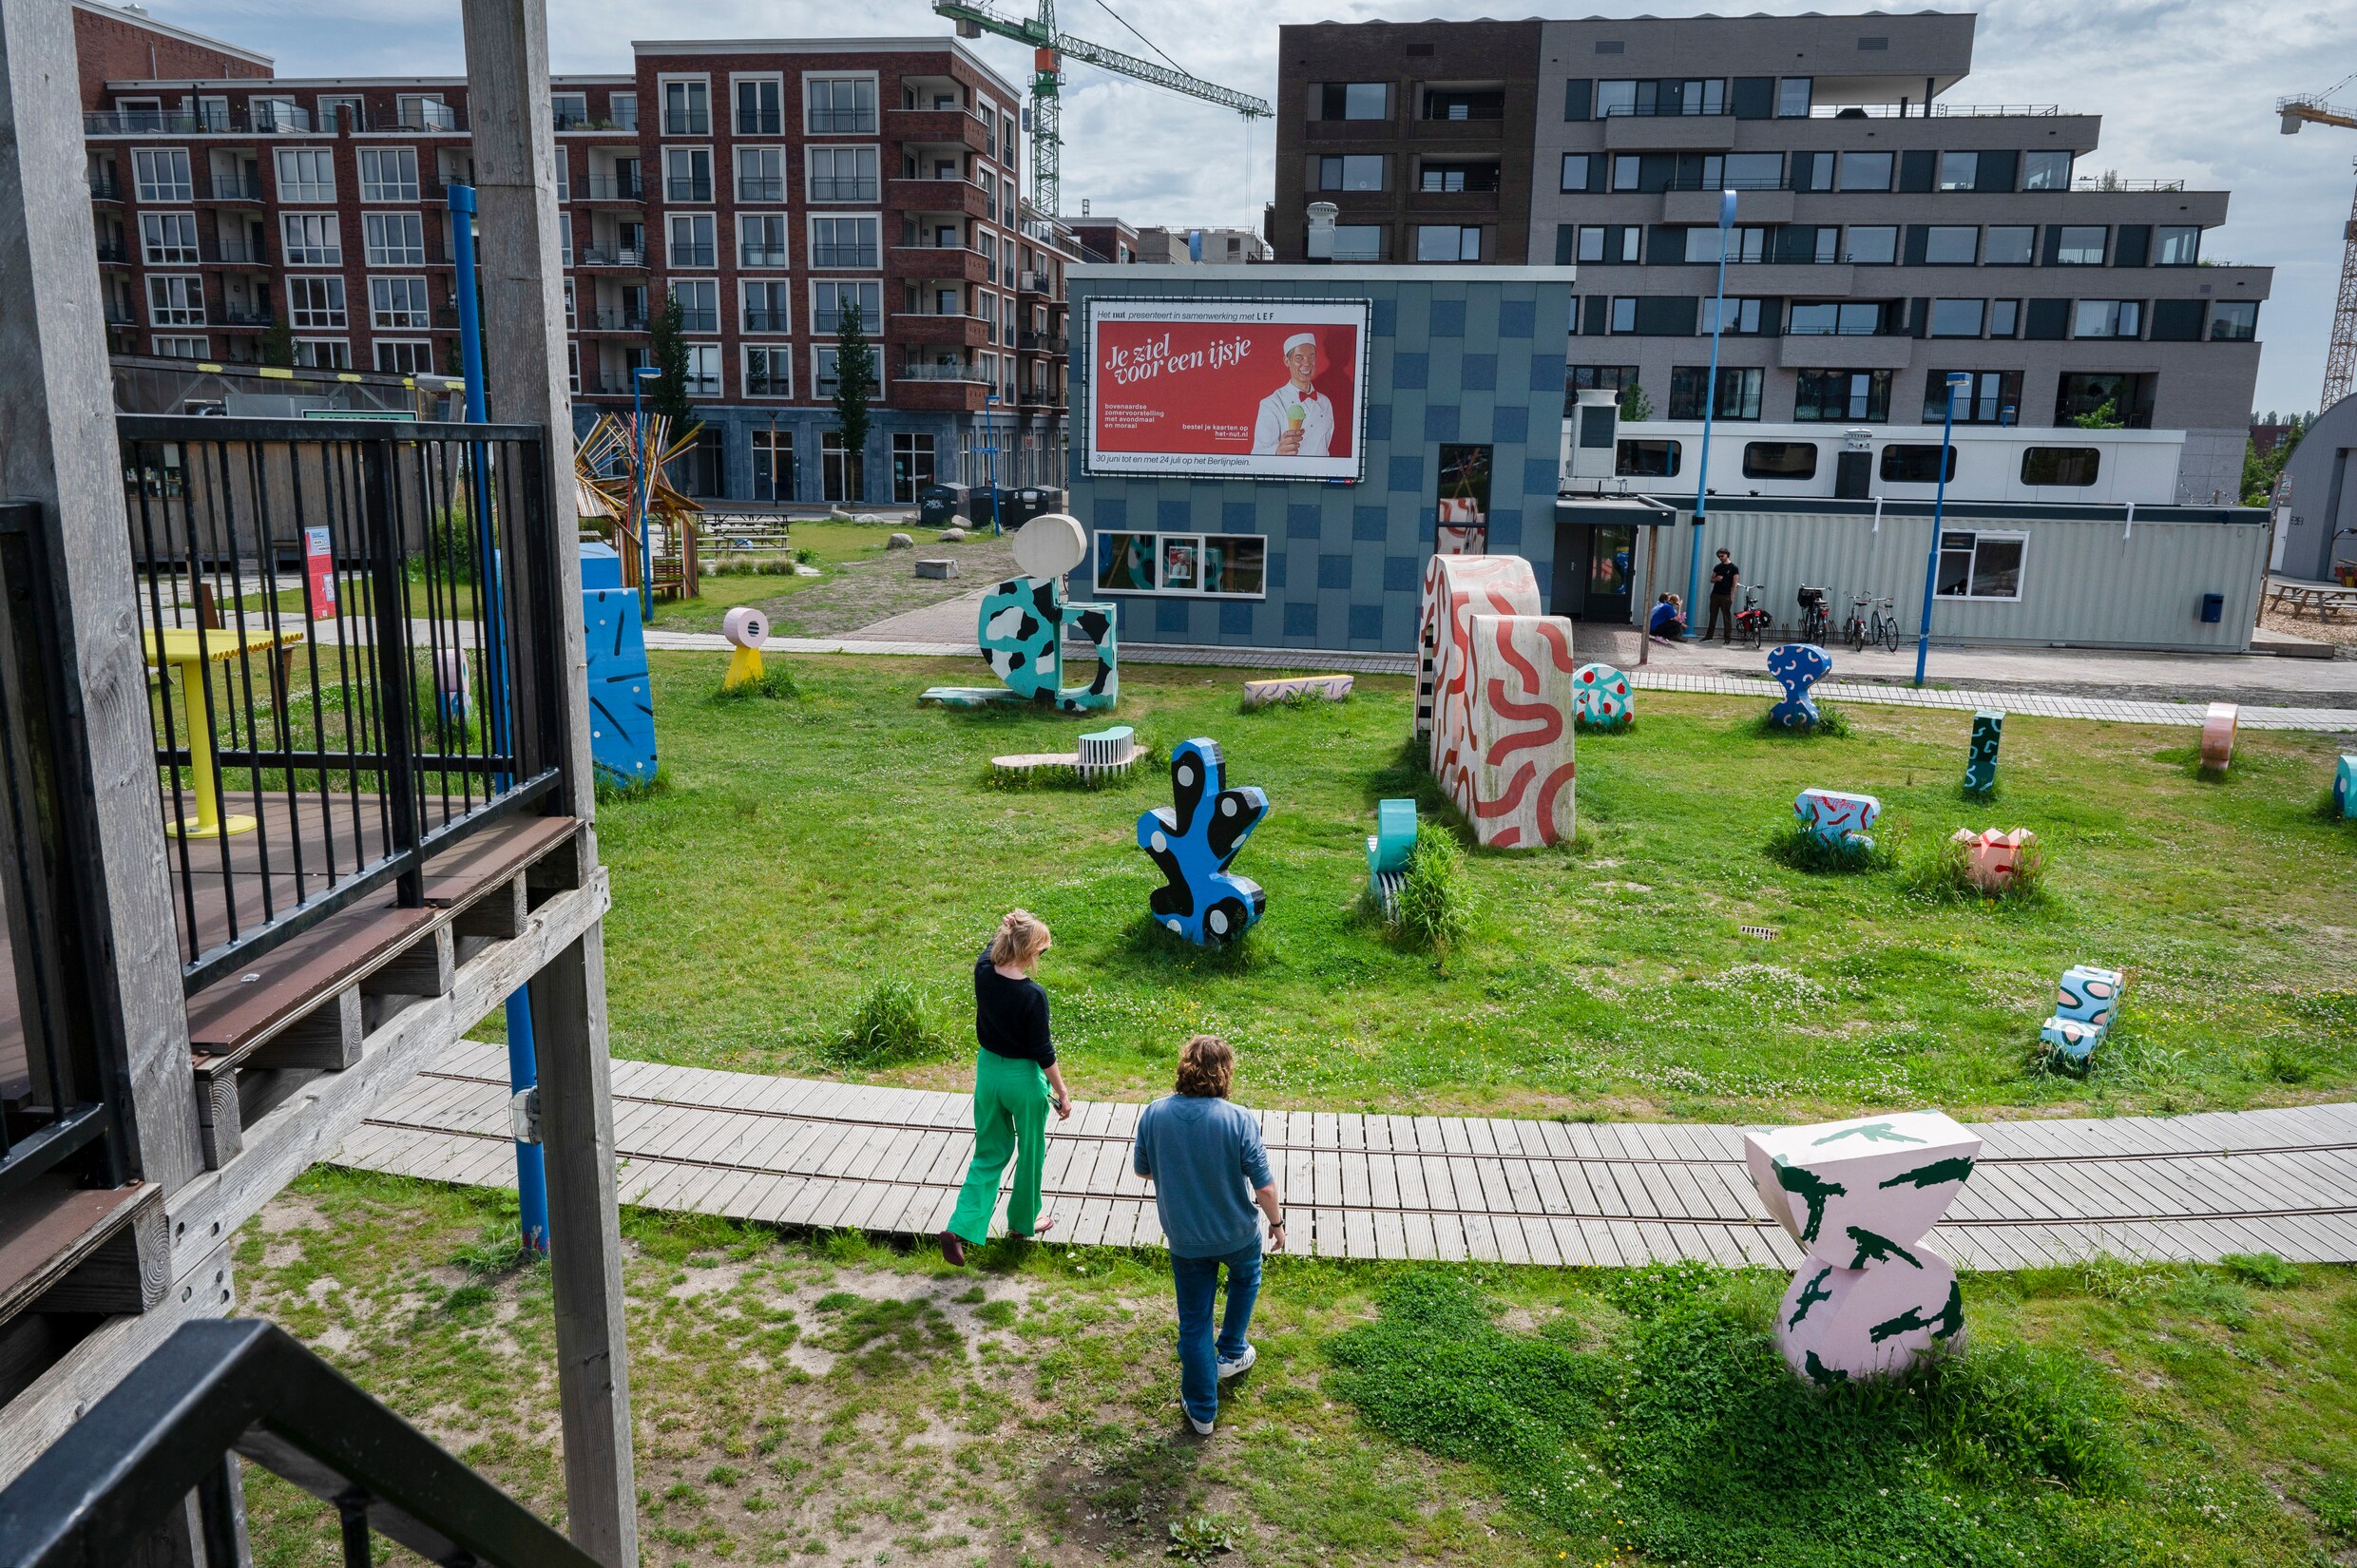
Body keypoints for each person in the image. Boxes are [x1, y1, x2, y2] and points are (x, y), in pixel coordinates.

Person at [1131, 1035, 1286, 1436]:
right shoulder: (1239, 1118)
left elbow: (1143, 1170)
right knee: (1246, 1277)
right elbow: (1265, 1188)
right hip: (1237, 1233)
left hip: (1185, 1238)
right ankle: (1232, 1350)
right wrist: (1276, 1224)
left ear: (1183, 1068)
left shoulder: (1154, 1113)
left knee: (1195, 1321)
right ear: (1225, 1073)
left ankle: (1201, 1412)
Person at [938, 910, 1072, 1266]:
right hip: (1023, 1080)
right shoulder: (1033, 995)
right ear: (1029, 951)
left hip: (988, 1074)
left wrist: (1007, 925)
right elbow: (1043, 1051)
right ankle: (1024, 1223)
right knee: (1031, 1151)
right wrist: (1061, 1092)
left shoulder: (984, 972)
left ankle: (960, 1226)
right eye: (1041, 950)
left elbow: (990, 949)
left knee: (989, 1152)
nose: (1041, 955)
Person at [1249, 334, 1334, 458]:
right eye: (1299, 358)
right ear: (1287, 361)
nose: (1307, 363)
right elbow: (1257, 454)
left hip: (1319, 470)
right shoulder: (1272, 403)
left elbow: (1325, 446)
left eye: (1311, 357)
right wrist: (1278, 451)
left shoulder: (1325, 402)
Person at [1706, 549, 1740, 641]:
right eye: (1719, 556)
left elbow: (1735, 584)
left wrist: (1732, 596)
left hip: (1726, 596)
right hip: (1715, 594)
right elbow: (1711, 580)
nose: (1720, 558)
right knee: (1713, 616)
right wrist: (1716, 579)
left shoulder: (1734, 568)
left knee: (1726, 617)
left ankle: (1727, 638)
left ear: (1727, 555)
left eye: (1722, 556)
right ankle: (1709, 637)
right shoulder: (1718, 567)